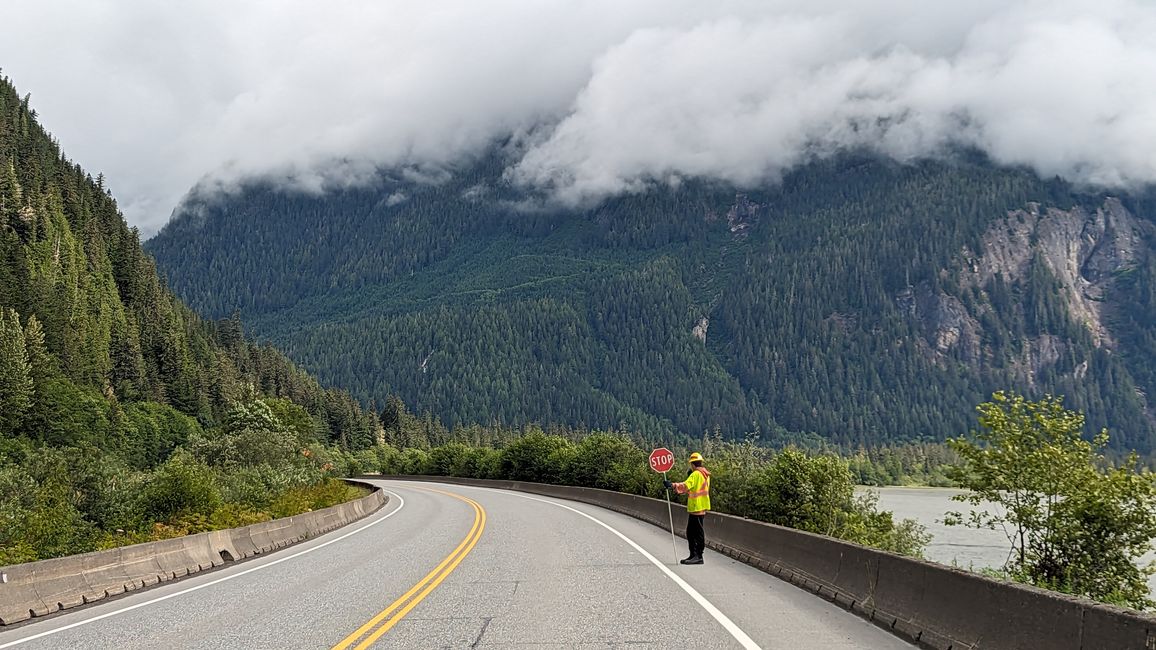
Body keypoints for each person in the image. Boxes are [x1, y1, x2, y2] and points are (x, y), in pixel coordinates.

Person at [664, 452, 711, 565]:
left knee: (693, 533)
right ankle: (694, 555)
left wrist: (672, 485)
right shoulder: (705, 474)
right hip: (701, 507)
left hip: (696, 507)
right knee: (694, 532)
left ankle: (697, 556)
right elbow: (693, 488)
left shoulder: (696, 474)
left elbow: (686, 486)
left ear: (692, 464)